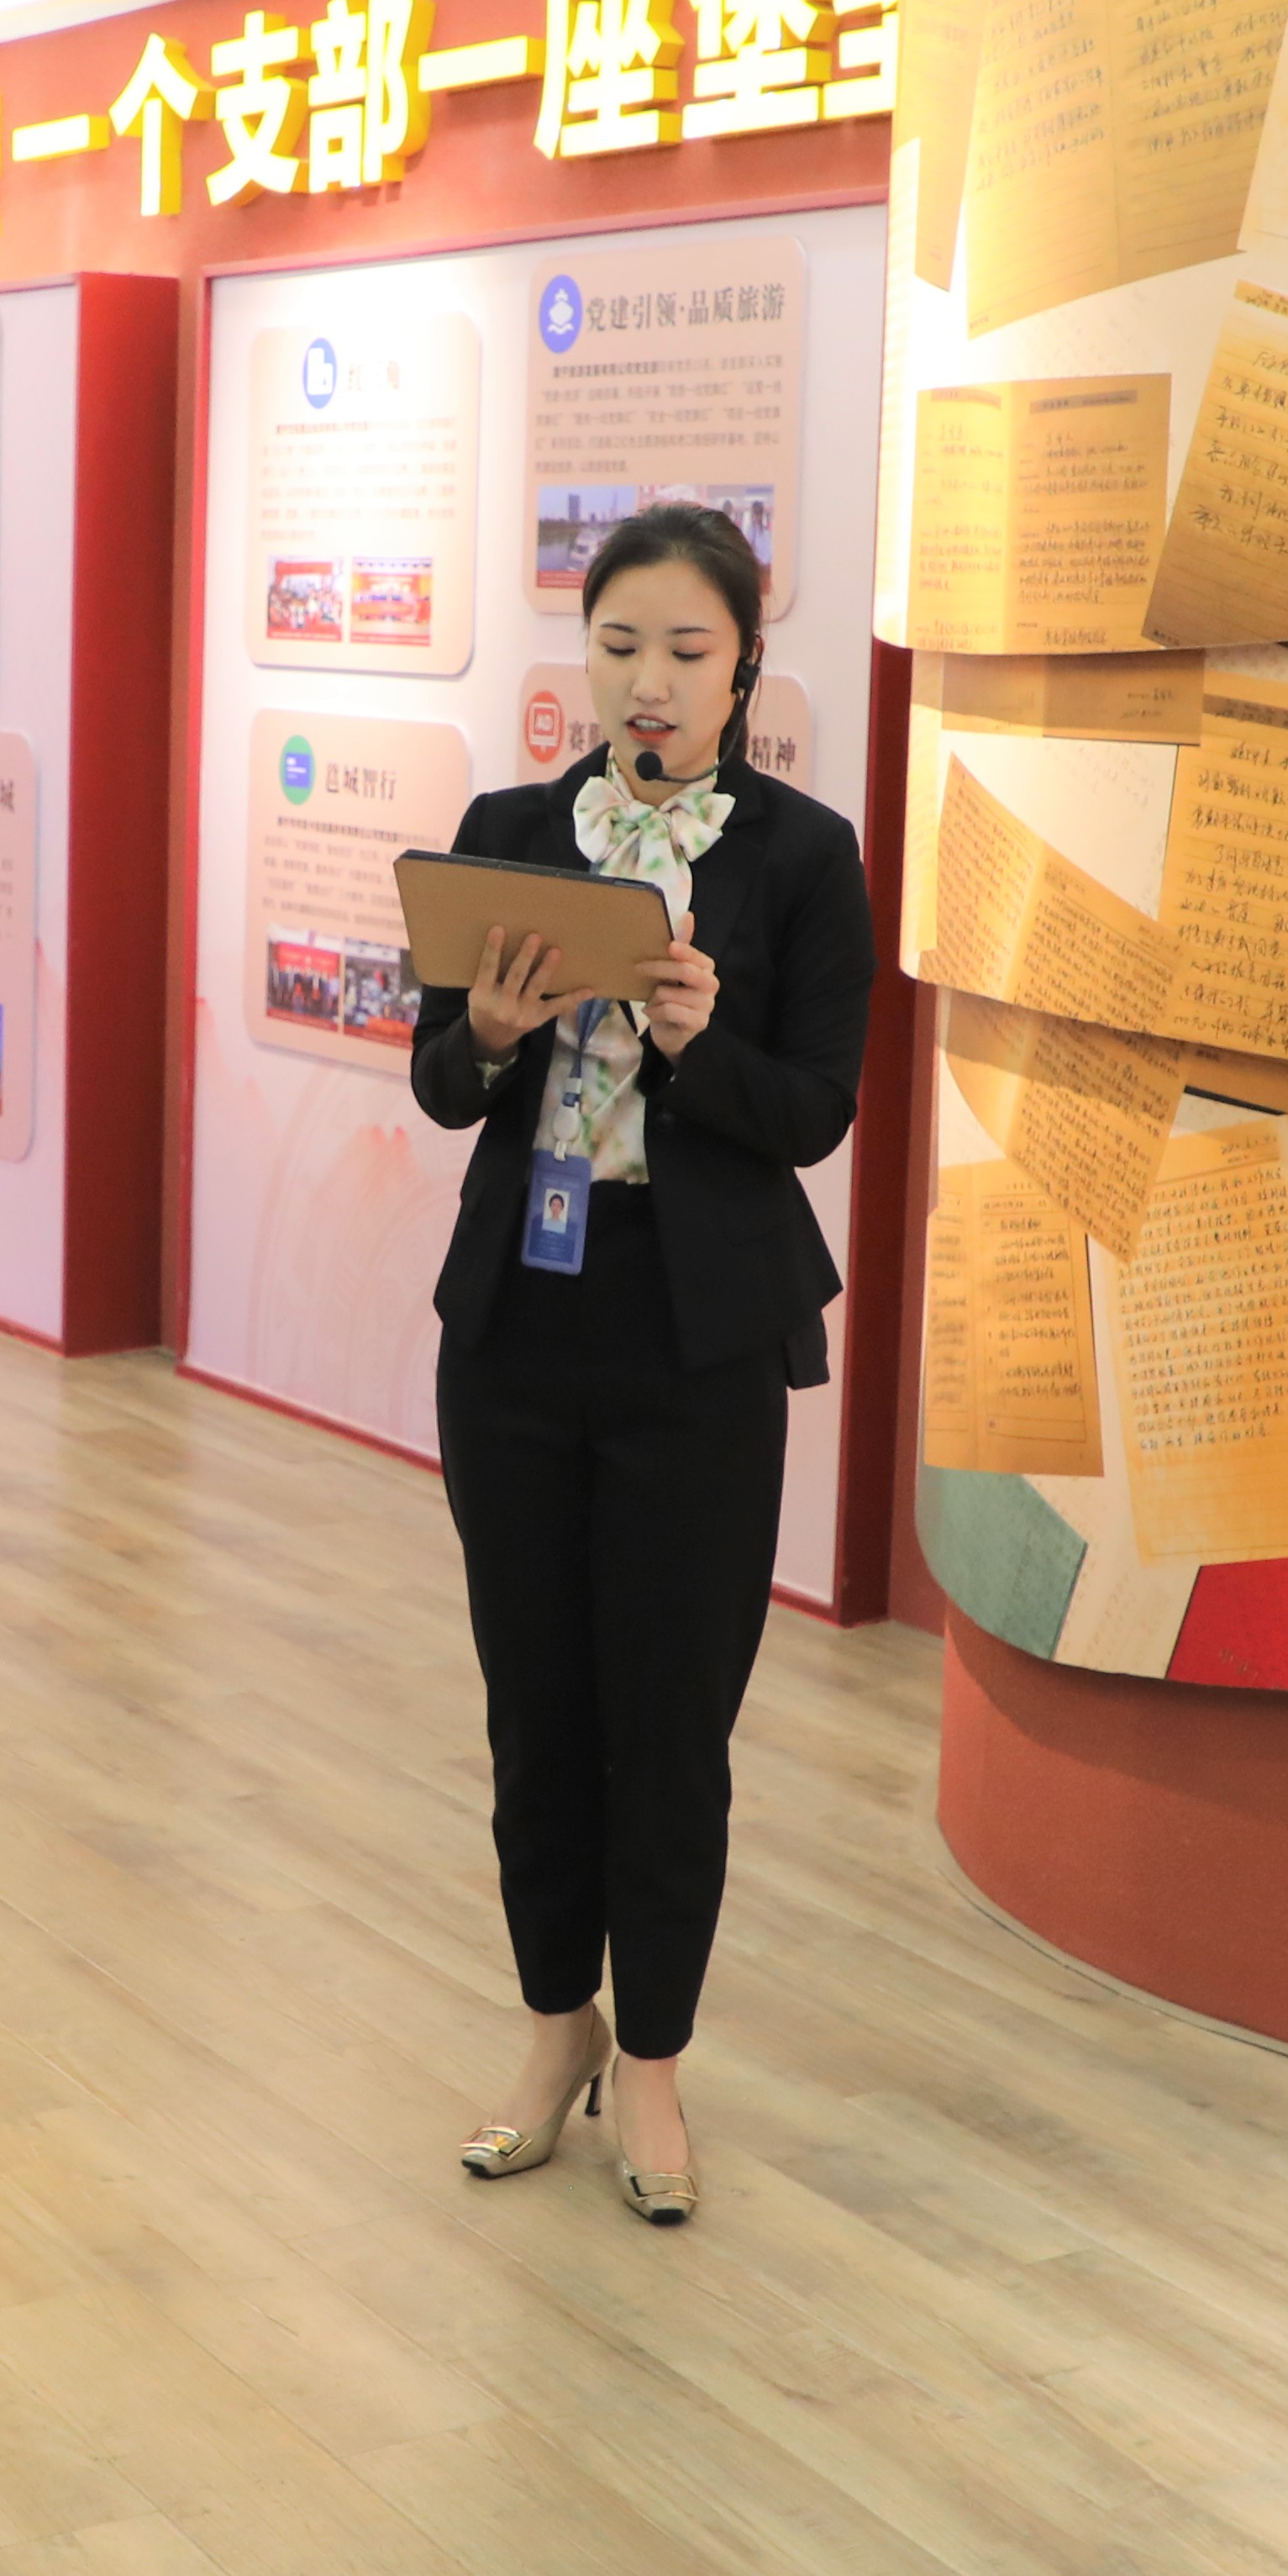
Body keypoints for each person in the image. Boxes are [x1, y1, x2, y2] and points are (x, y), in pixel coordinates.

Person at [410, 507, 869, 2226]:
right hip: (518, 1327)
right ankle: (558, 2028)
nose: (648, 682)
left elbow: (815, 1109)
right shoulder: (510, 833)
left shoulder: (803, 856)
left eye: (687, 649)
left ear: (744, 665)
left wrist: (700, 1042)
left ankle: (656, 2059)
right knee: (534, 1707)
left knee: (672, 1722)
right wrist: (489, 1034)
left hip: (698, 1342)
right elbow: (438, 1083)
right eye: (618, 647)